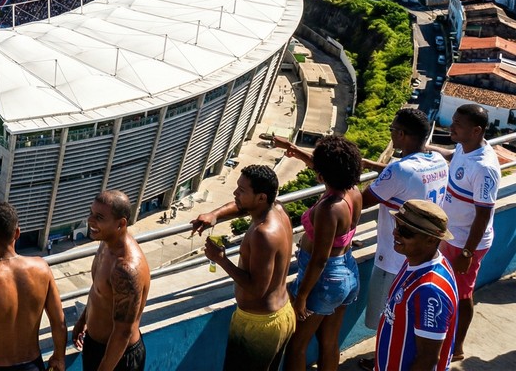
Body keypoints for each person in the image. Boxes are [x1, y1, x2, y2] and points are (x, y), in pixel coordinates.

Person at [191, 165, 295, 371]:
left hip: (260, 325)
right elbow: (240, 207)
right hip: (278, 315)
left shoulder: (263, 233)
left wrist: (221, 259)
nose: (235, 193)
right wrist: (215, 214)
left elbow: (257, 289)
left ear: (261, 197)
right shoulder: (277, 209)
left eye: (242, 190)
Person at [274, 135, 364, 371]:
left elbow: (320, 258)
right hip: (347, 271)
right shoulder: (354, 191)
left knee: (296, 344)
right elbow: (329, 166)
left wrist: (302, 296)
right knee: (329, 341)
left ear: (323, 175)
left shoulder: (329, 209)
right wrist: (296, 151)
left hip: (324, 281)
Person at [359, 109, 448, 332]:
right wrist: (371, 165)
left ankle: (382, 360)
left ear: (401, 134)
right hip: (423, 254)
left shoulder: (401, 170)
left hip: (393, 258)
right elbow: (402, 174)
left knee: (385, 320)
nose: (391, 134)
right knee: (406, 317)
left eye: (392, 130)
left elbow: (362, 201)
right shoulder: (437, 161)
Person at [0, 201, 64, 371]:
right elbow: (59, 323)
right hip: (33, 365)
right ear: (17, 233)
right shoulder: (42, 268)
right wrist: (59, 357)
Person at [436, 104, 500, 363]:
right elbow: (453, 157)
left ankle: (457, 346)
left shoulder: (484, 168)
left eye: (458, 125)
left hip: (466, 242)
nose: (451, 127)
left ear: (476, 131)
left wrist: (467, 252)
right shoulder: (464, 146)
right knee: (448, 290)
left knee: (462, 295)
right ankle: (444, 338)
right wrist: (428, 152)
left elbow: (483, 215)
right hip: (452, 235)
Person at [371, 200, 458, 371]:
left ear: (431, 240)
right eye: (397, 225)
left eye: (405, 231)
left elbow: (428, 359)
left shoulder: (430, 291)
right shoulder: (413, 261)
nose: (395, 233)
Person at [70, 191, 148, 371]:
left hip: (117, 358)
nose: (90, 220)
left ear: (121, 224)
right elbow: (98, 288)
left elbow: (123, 332)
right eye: (90, 212)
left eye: (99, 217)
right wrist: (83, 321)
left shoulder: (126, 270)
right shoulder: (106, 243)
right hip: (95, 346)